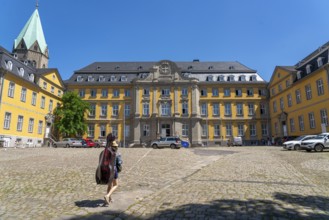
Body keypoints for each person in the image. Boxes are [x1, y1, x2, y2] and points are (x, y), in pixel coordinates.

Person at [104, 140, 119, 205]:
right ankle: (107, 196)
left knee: (109, 185)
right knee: (116, 185)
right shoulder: (116, 153)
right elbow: (119, 163)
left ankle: (109, 199)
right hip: (113, 170)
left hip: (107, 170)